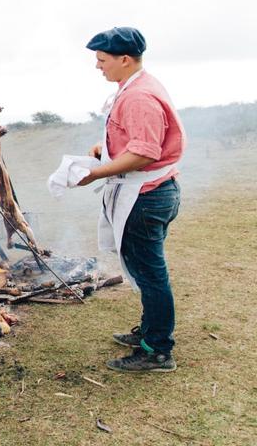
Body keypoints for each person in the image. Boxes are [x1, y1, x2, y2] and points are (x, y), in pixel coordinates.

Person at [78, 27, 185, 373]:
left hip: (146, 196)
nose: (98, 67)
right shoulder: (136, 86)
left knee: (150, 274)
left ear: (124, 59)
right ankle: (151, 332)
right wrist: (105, 150)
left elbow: (144, 151)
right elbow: (134, 141)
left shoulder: (138, 96)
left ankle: (157, 350)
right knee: (145, 270)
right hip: (152, 192)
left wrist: (98, 171)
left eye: (102, 60)